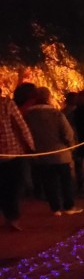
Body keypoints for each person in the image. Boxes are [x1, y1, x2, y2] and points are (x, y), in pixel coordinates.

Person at [23, 87, 83, 216]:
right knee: (65, 180)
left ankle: (55, 208)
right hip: (60, 153)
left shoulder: (28, 115)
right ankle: (68, 206)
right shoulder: (56, 114)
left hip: (41, 154)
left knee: (49, 182)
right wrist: (71, 146)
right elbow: (67, 133)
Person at [0, 92, 35, 231]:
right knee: (14, 186)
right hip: (12, 151)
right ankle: (12, 218)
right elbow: (19, 125)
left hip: (11, 152)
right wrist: (29, 147)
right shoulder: (6, 103)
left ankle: (10, 217)